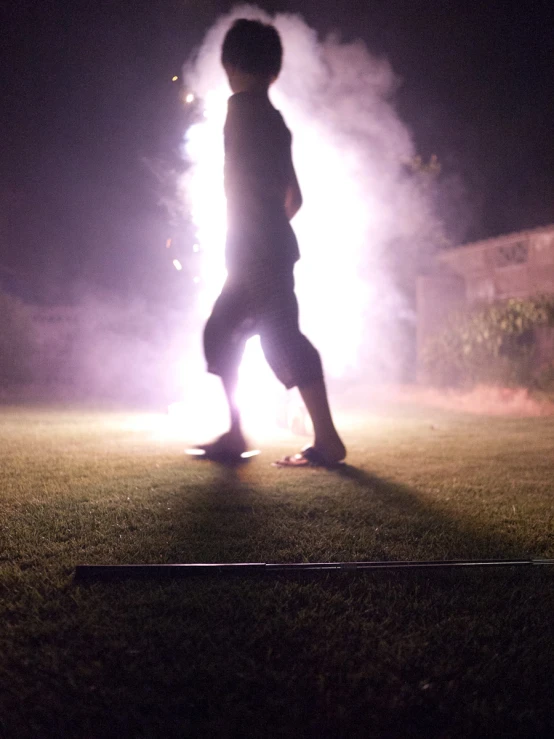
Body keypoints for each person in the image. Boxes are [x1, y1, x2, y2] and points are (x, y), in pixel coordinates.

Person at [198, 18, 346, 467]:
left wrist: (253, 233)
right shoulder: (276, 122)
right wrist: (266, 229)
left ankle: (326, 442)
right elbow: (294, 199)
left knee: (279, 340)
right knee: (224, 333)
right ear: (274, 71)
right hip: (265, 249)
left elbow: (259, 193)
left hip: (256, 253)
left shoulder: (240, 109)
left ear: (230, 63)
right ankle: (236, 434)